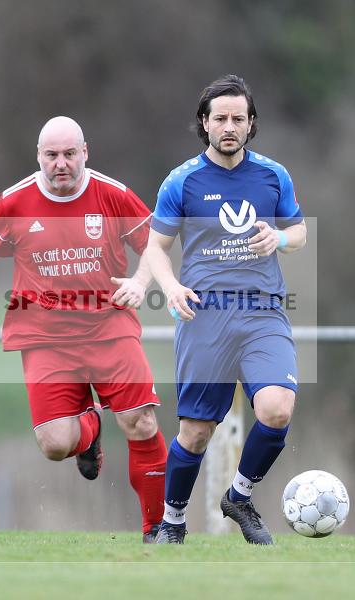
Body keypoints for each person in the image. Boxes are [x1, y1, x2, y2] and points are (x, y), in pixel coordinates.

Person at [0, 116, 168, 542]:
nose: (60, 164)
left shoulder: (112, 194)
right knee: (54, 445)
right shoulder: (14, 202)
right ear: (39, 157)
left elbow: (155, 243)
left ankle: (157, 529)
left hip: (109, 324)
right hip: (45, 334)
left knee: (140, 421)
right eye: (52, 155)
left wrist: (141, 283)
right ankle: (89, 432)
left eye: (69, 154)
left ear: (85, 153)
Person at [144, 75, 307, 544]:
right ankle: (173, 522)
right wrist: (172, 286)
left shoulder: (273, 176)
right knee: (196, 432)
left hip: (262, 313)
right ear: (204, 123)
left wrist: (277, 237)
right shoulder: (182, 180)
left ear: (251, 124)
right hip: (205, 316)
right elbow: (156, 247)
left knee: (276, 408)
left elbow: (298, 233)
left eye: (239, 118)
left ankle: (239, 495)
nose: (229, 126)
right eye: (220, 118)